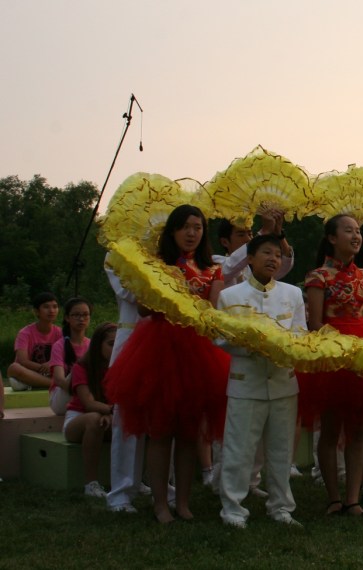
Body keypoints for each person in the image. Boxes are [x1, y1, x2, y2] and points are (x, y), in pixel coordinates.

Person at [105, 204, 230, 523]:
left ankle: (183, 502)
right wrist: (162, 290)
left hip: (198, 353)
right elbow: (145, 310)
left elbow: (212, 313)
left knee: (189, 433)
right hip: (158, 350)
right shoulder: (156, 265)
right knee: (159, 432)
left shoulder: (212, 269)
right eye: (186, 227)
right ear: (172, 231)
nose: (192, 233)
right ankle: (161, 503)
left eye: (198, 227)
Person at [299, 214, 363, 517]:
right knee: (331, 429)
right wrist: (338, 349)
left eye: (359, 231)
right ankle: (334, 497)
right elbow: (314, 323)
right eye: (348, 231)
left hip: (362, 352)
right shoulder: (318, 276)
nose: (356, 236)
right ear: (332, 238)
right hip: (332, 354)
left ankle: (353, 499)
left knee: (360, 428)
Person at [216, 234, 306, 528]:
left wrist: (282, 344)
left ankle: (281, 506)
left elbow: (301, 335)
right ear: (250, 259)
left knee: (281, 451)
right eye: (266, 253)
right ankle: (232, 507)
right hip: (246, 382)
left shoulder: (292, 294)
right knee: (238, 448)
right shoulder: (231, 296)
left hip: (283, 382)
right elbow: (220, 338)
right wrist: (250, 344)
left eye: (278, 255)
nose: (273, 259)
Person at [104, 254, 147, 513]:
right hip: (131, 338)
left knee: (162, 416)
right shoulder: (117, 254)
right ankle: (120, 490)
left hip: (166, 338)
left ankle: (157, 482)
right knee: (125, 418)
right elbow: (132, 294)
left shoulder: (170, 251)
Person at [63, 322, 117, 498]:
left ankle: (133, 479)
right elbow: (88, 403)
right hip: (78, 419)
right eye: (110, 344)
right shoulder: (82, 366)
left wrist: (110, 414)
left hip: (109, 417)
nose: (115, 348)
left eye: (119, 343)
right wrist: (109, 411)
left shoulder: (120, 366)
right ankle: (91, 483)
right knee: (94, 419)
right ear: (97, 344)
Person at [7, 292, 62, 390]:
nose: (51, 310)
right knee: (13, 368)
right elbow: (22, 360)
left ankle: (32, 384)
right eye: (46, 307)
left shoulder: (60, 332)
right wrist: (43, 368)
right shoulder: (25, 333)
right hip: (30, 372)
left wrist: (50, 364)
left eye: (55, 306)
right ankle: (56, 384)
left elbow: (64, 356)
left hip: (53, 371)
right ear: (36, 311)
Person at [48, 297, 92, 415]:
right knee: (78, 370)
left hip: (86, 396)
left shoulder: (92, 344)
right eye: (76, 315)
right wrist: (82, 394)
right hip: (63, 398)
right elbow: (59, 379)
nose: (81, 318)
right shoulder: (59, 345)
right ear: (67, 318)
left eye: (85, 314)